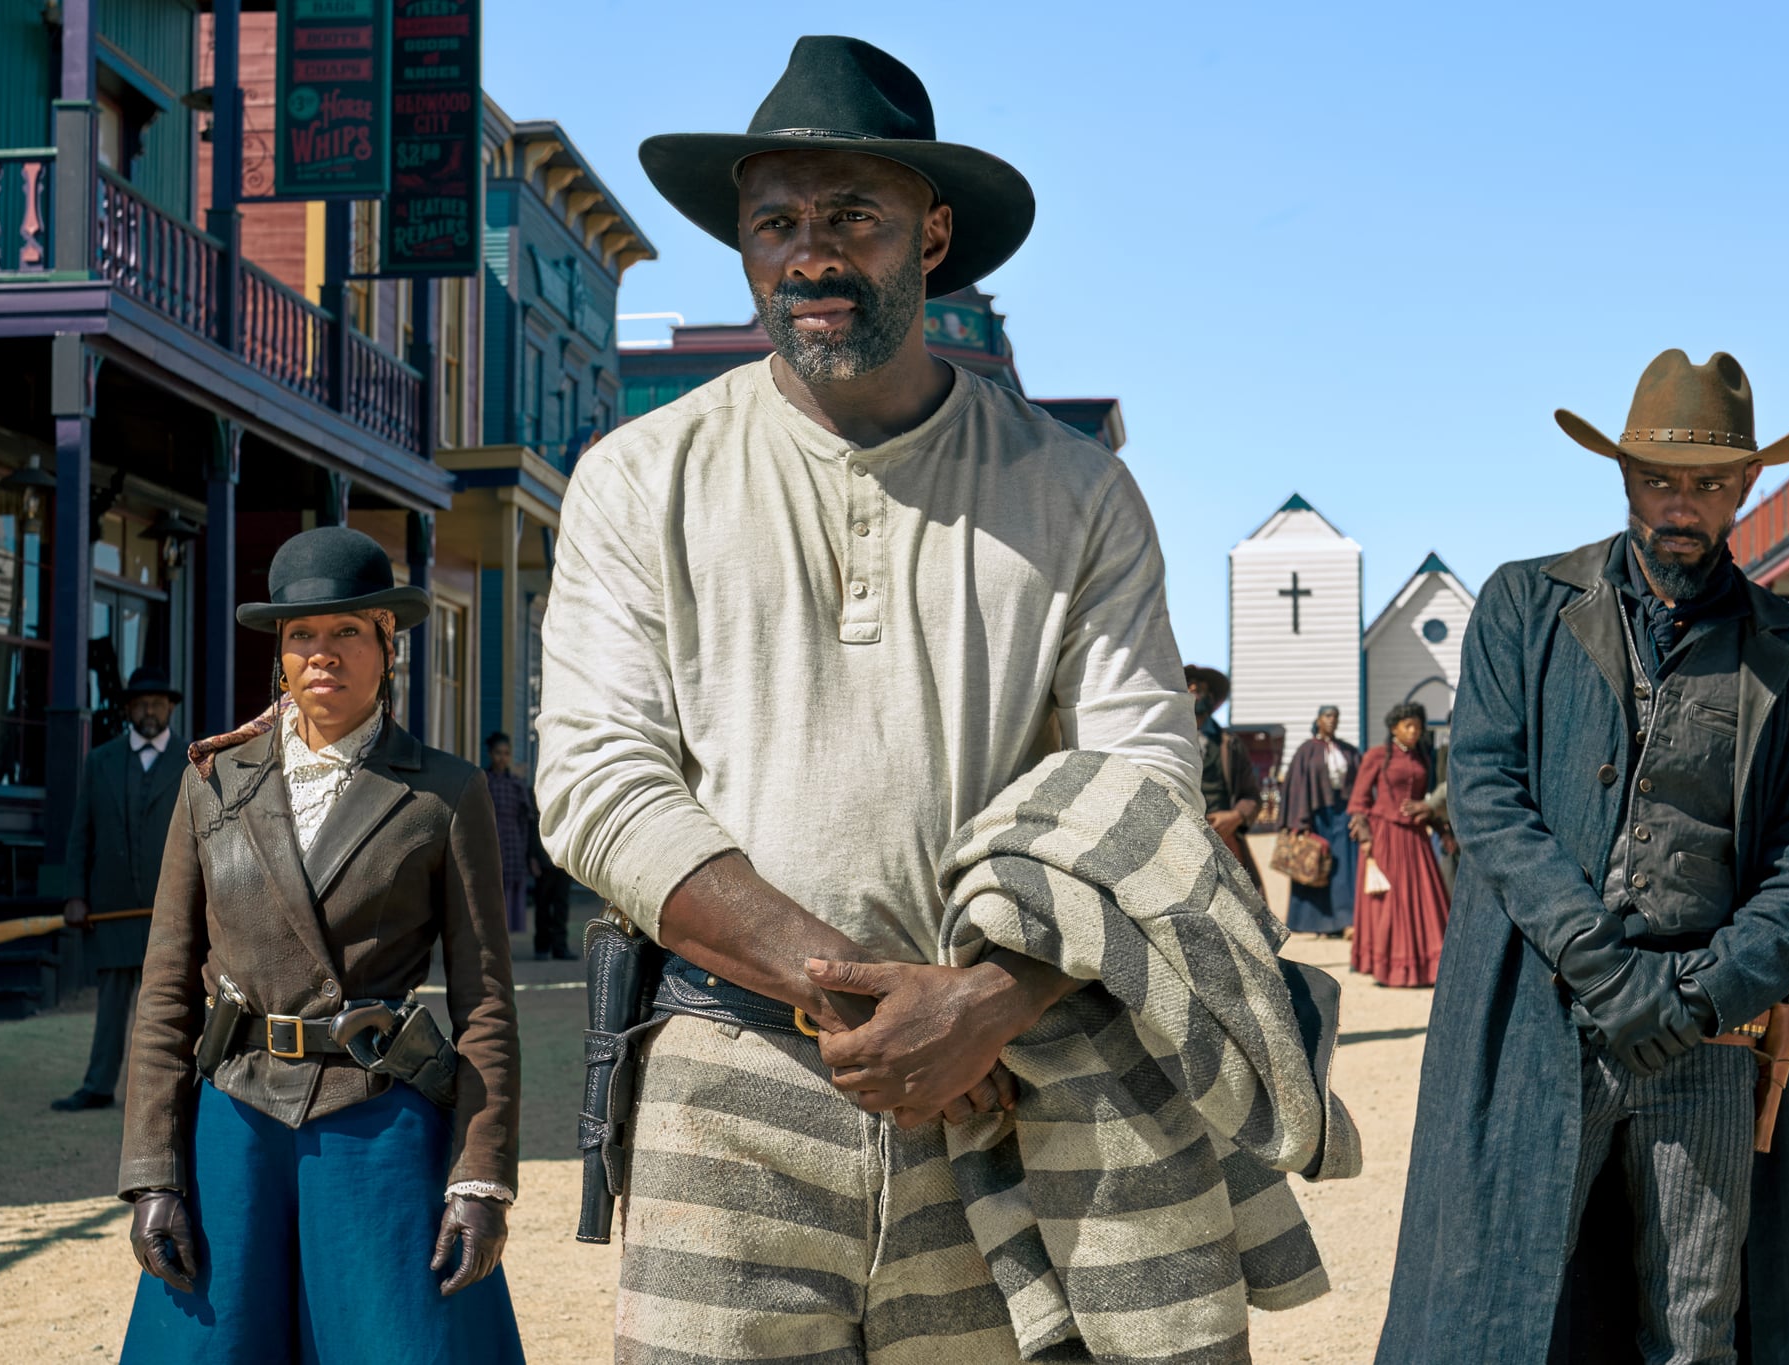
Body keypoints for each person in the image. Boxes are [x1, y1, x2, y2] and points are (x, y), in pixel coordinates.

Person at [535, 38, 1313, 1360]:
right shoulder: (636, 478)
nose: (812, 255)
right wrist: (833, 986)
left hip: (1008, 1086)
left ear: (933, 236)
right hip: (729, 1084)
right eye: (776, 221)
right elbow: (597, 783)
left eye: (855, 217)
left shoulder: (1072, 490)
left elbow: (1144, 784)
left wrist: (983, 1004)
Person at [1379, 350, 1789, 1364]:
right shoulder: (1519, 606)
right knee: (1493, 1307)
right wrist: (1602, 972)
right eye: (1658, 480)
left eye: (1709, 484)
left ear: (1747, 485)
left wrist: (1692, 998)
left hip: (1708, 1037)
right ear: (1623, 475)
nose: (1680, 506)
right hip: (1538, 1015)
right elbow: (1490, 799)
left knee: (1694, 1328)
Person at [118, 527, 524, 1364]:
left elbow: (483, 998)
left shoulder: (445, 793)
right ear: (280, 653)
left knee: (401, 1345)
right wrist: (154, 1168)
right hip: (237, 1117)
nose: (322, 653)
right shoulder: (212, 785)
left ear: (387, 645)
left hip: (378, 1117)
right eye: (302, 634)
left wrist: (481, 1176)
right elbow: (165, 991)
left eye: (346, 632)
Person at [51, 667, 187, 1112]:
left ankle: (180, 1092)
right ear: (128, 709)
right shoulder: (101, 761)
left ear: (170, 707)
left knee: (175, 1005)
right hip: (111, 906)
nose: (149, 710)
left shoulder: (191, 762)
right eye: (141, 703)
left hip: (170, 907)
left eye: (158, 702)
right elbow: (80, 833)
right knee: (111, 1005)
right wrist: (75, 893)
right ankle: (98, 1085)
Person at [1346, 701, 1449, 987]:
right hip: (1385, 836)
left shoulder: (1422, 758)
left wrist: (1436, 823)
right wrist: (1366, 838)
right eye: (1408, 726)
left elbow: (1424, 800)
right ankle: (1390, 968)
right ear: (1394, 728)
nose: (1414, 731)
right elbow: (1358, 801)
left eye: (1417, 726)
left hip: (1415, 840)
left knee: (1422, 900)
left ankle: (1426, 968)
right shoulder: (1377, 756)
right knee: (1392, 903)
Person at [1281, 706, 1360, 937]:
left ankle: (1345, 921)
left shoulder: (1347, 750)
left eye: (1336, 717)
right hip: (1316, 816)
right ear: (1318, 720)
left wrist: (1359, 813)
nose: (1332, 720)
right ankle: (1318, 923)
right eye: (1328, 716)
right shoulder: (1306, 751)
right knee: (1314, 865)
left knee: (1344, 869)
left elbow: (1360, 781)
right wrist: (1298, 821)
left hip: (1343, 813)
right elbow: (1295, 786)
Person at [1186, 664, 1265, 896]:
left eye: (1201, 688)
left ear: (1211, 698)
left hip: (1225, 839)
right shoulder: (1164, 742)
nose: (1194, 691)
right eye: (1188, 687)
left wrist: (1236, 816)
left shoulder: (1230, 744)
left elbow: (1251, 796)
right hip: (1179, 840)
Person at [482, 732, 539, 939]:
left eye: (506, 753)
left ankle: (505, 938)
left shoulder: (516, 784)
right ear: (490, 754)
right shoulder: (483, 781)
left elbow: (525, 820)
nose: (502, 758)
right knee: (493, 890)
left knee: (511, 892)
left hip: (513, 842)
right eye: (498, 753)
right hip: (490, 842)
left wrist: (527, 852)